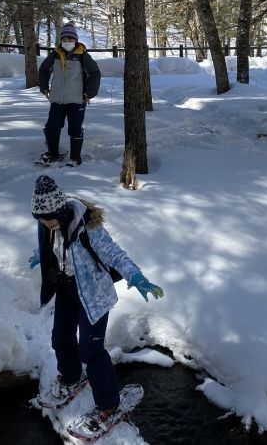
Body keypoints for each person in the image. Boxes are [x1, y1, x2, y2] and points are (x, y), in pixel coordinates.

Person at [29, 175, 163, 430]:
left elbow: (114, 253)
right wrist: (40, 255)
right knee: (59, 337)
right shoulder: (45, 223)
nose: (44, 223)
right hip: (67, 290)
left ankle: (109, 405)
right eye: (40, 219)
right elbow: (50, 244)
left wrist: (136, 276)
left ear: (59, 211)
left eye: (47, 218)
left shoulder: (88, 228)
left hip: (93, 296)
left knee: (90, 351)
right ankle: (70, 377)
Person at [37, 22, 101, 167]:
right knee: (52, 127)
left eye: (70, 39)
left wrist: (89, 94)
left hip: (77, 100)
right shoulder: (55, 55)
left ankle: (75, 157)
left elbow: (95, 74)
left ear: (76, 40)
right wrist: (44, 88)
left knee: (75, 128)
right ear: (61, 40)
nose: (67, 42)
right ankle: (53, 154)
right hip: (57, 100)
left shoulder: (82, 55)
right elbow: (43, 70)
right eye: (64, 39)